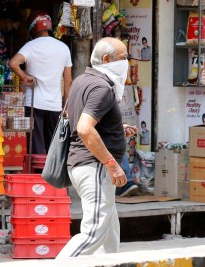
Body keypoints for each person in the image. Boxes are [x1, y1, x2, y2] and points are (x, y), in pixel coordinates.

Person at [57, 37, 137, 258]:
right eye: (123, 58)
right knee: (93, 234)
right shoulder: (102, 87)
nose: (126, 62)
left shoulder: (82, 81)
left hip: (84, 166)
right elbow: (84, 128)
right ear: (106, 59)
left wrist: (116, 128)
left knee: (109, 231)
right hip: (94, 167)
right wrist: (111, 165)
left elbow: (81, 119)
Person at [9, 14, 73, 154]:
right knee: (53, 147)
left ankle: (36, 175)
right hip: (55, 105)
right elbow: (68, 81)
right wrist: (65, 106)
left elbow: (13, 63)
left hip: (33, 103)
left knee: (35, 146)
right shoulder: (63, 48)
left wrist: (24, 77)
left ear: (33, 29)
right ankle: (51, 175)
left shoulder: (30, 46)